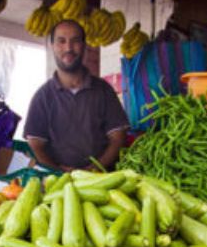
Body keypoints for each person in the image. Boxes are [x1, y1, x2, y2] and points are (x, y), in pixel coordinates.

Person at [24, 19, 130, 171]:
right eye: (61, 41)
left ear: (84, 46)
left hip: (102, 180)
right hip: (56, 182)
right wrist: (59, 172)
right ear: (52, 46)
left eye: (75, 41)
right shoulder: (43, 97)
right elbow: (35, 145)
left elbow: (118, 137)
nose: (68, 48)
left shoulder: (104, 91)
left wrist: (94, 169)